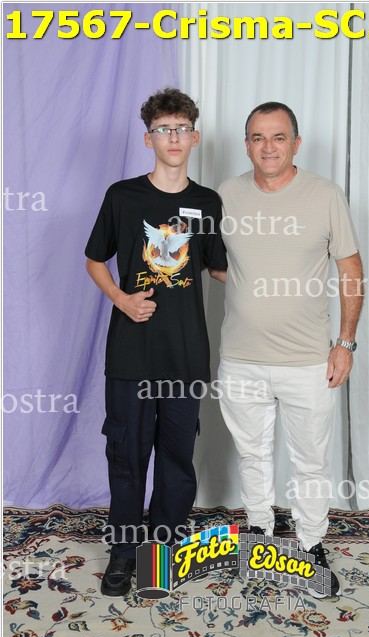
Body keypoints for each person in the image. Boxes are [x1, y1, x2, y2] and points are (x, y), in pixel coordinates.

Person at [216, 102, 363, 598]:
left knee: (310, 461)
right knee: (252, 454)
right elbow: (215, 262)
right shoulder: (226, 195)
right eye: (258, 137)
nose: (268, 147)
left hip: (308, 360)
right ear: (246, 145)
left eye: (278, 137)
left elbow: (350, 270)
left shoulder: (325, 194)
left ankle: (310, 543)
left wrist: (345, 343)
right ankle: (259, 535)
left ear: (296, 143)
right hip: (241, 358)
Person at [85, 88, 227, 597]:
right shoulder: (123, 197)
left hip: (185, 355)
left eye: (181, 128)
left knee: (176, 458)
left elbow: (219, 268)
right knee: (126, 456)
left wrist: (283, 267)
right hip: (131, 354)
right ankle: (124, 553)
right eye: (163, 129)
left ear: (195, 137)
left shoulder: (207, 203)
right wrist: (122, 300)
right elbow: (94, 260)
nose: (173, 137)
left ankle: (161, 548)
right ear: (149, 139)